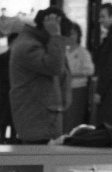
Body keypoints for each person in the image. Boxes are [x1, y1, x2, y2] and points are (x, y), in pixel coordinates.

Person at [9, 7, 71, 144]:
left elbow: (61, 71)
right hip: (37, 122)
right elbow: (54, 67)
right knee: (40, 164)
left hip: (42, 120)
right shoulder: (28, 46)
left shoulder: (39, 44)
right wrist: (55, 36)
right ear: (47, 26)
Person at [63, 22, 95, 133]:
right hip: (64, 89)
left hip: (78, 89)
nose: (70, 37)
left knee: (73, 119)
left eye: (73, 34)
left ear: (78, 35)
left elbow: (89, 70)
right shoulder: (64, 51)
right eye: (68, 34)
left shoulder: (83, 52)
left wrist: (72, 74)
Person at [0, 32, 17, 143]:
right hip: (4, 92)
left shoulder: (20, 59)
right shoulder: (2, 58)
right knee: (3, 120)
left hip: (16, 94)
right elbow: (1, 74)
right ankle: (1, 139)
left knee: (14, 120)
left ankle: (13, 140)